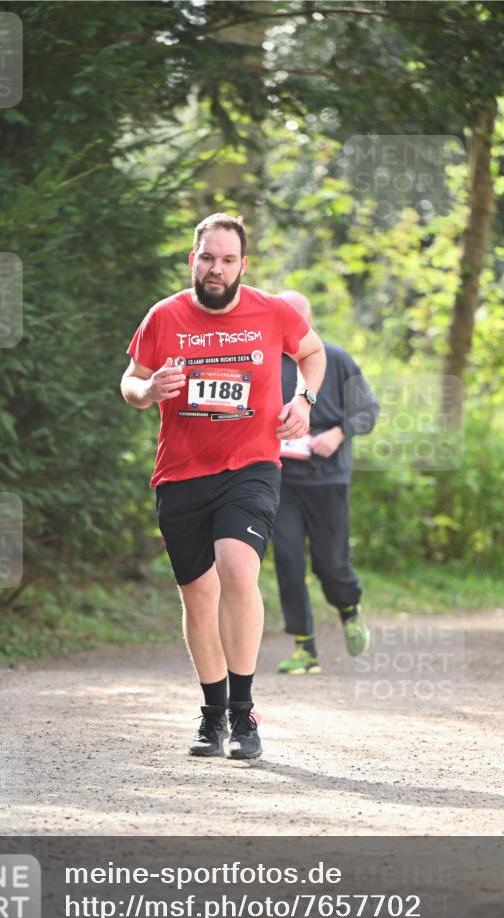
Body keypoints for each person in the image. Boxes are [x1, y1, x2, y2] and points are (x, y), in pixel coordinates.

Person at [120, 215, 326, 760]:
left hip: (251, 466)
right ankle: (212, 715)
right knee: (198, 593)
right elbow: (130, 382)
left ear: (242, 265)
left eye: (228, 260)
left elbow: (312, 353)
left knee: (238, 569)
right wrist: (147, 390)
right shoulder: (164, 315)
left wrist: (303, 401)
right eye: (208, 258)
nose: (217, 269)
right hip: (182, 472)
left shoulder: (271, 311)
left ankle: (244, 711)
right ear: (194, 258)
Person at [274, 290, 379, 675]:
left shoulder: (335, 359)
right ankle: (305, 647)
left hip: (327, 478)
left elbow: (368, 411)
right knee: (287, 560)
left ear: (308, 322)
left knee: (330, 563)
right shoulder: (266, 361)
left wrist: (337, 433)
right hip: (280, 479)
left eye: (296, 321)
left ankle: (349, 608)